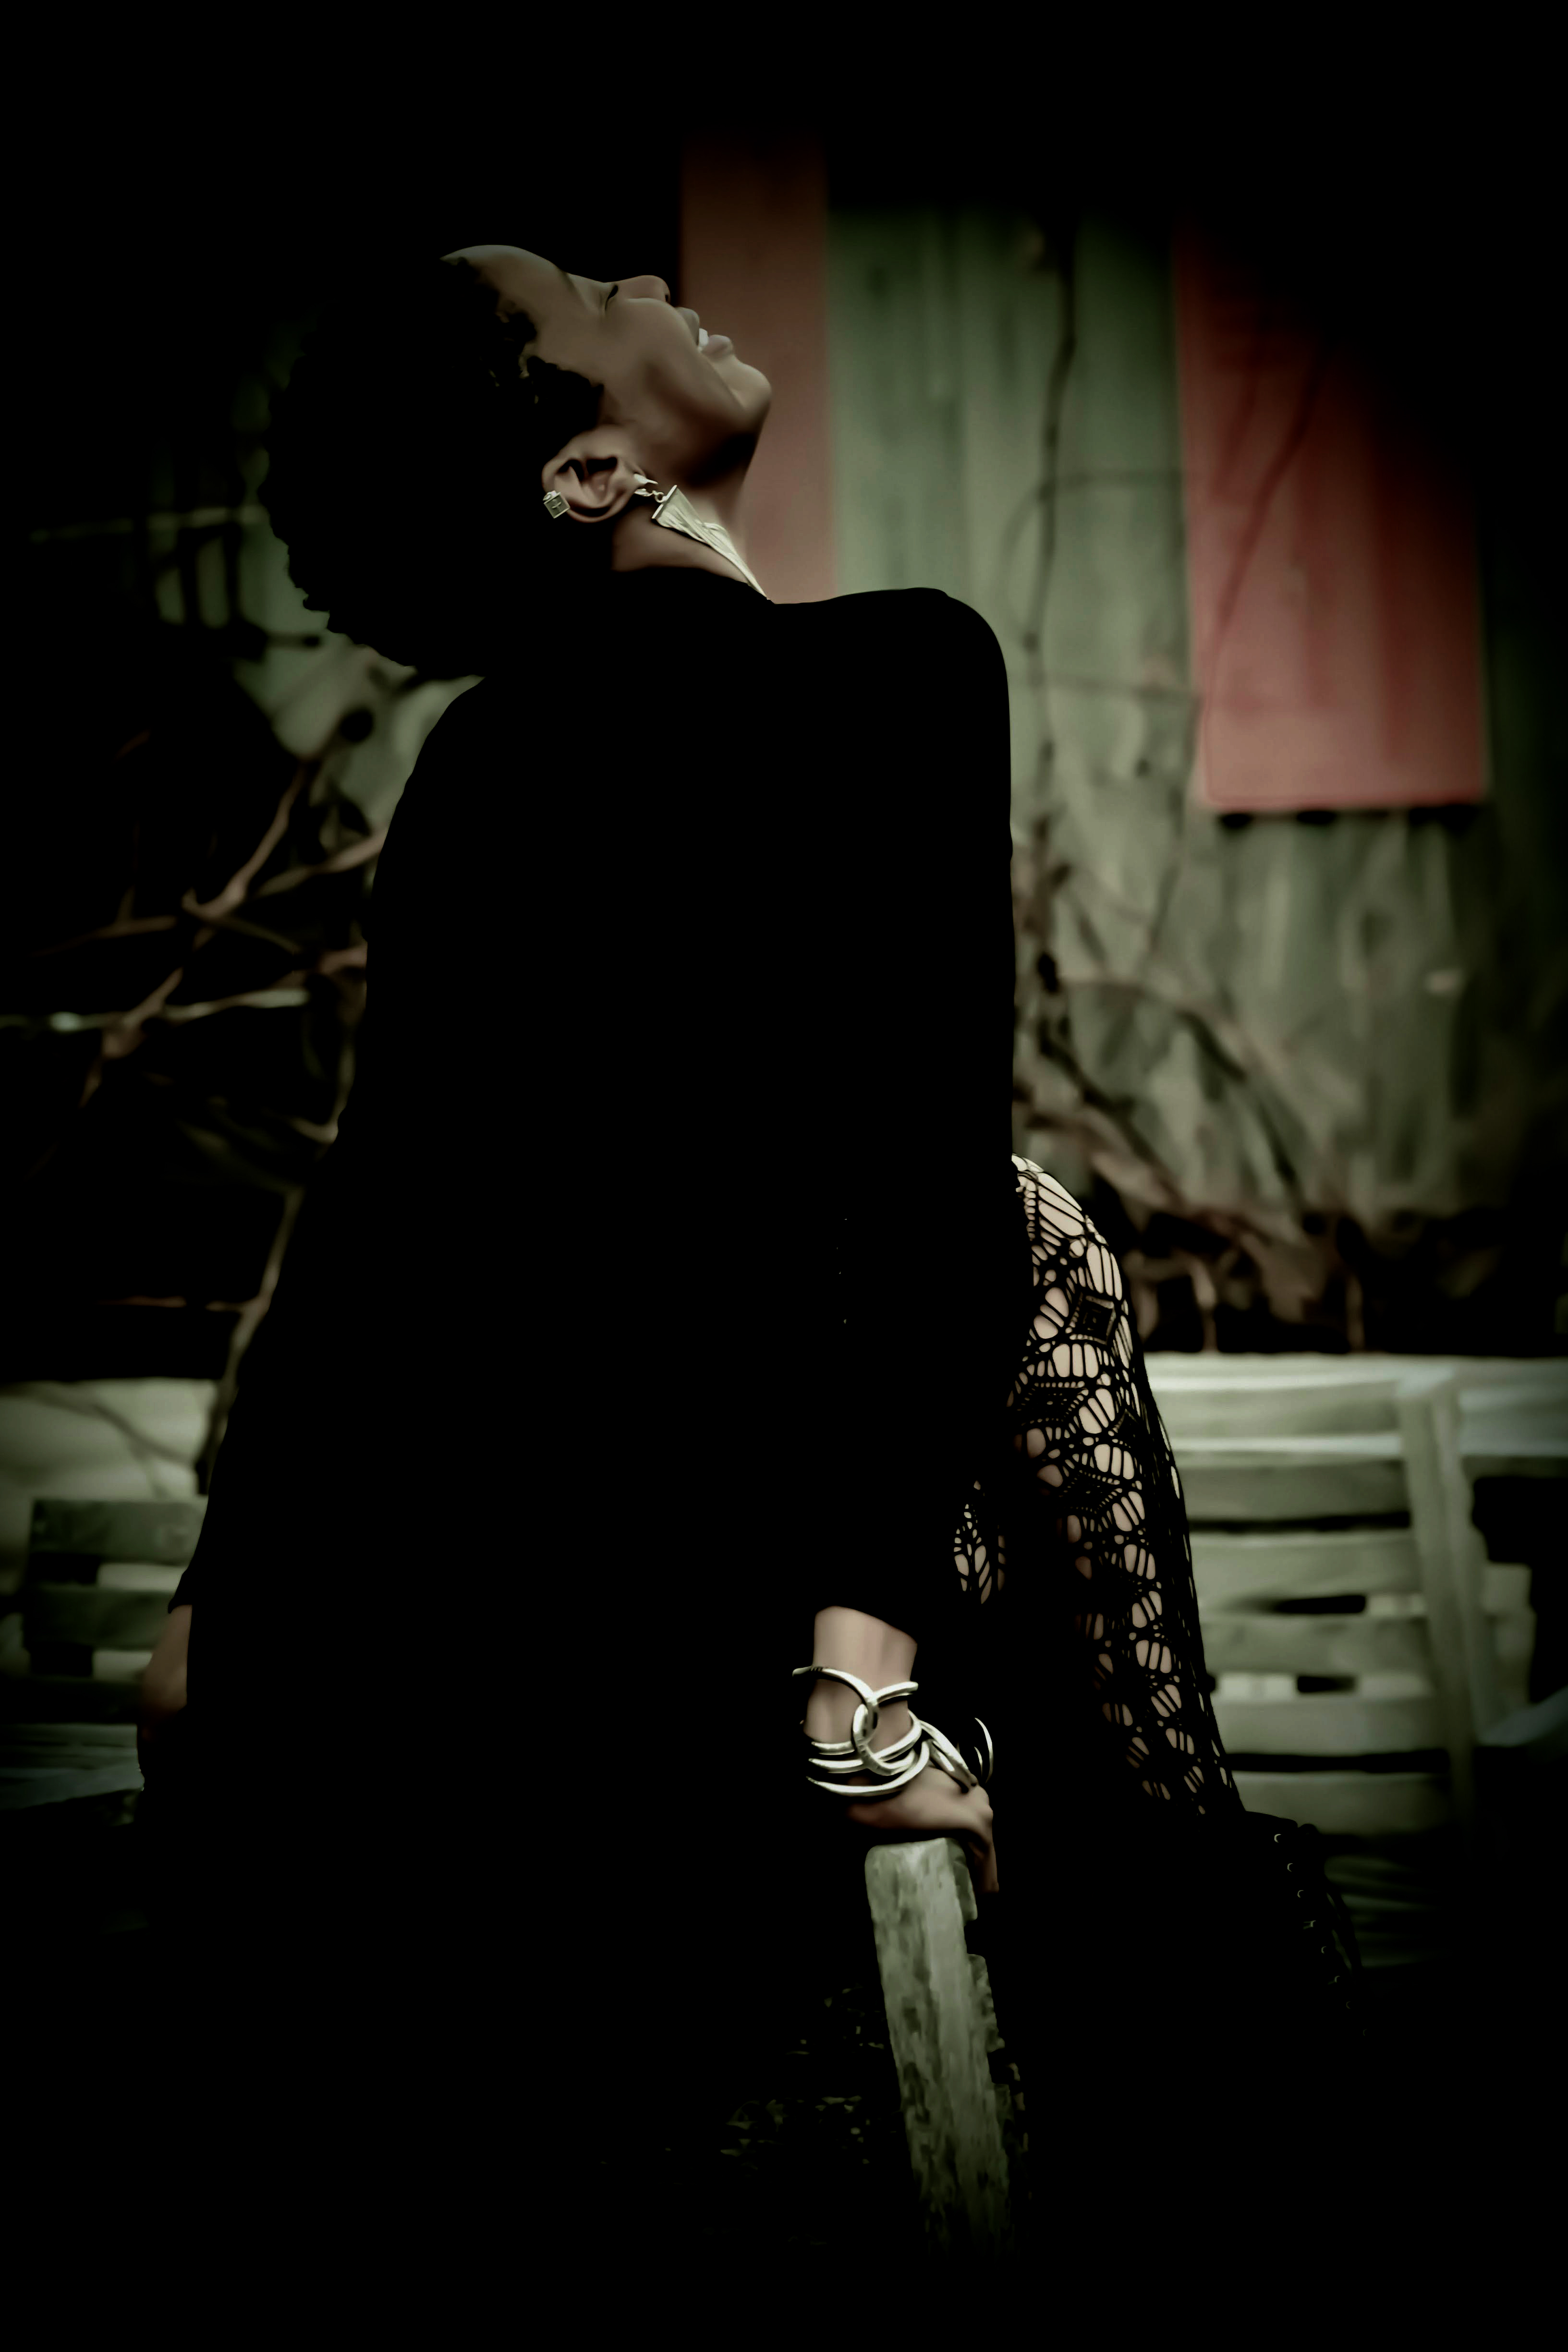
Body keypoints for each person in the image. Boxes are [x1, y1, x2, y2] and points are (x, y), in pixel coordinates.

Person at [134, 243, 1358, 2280]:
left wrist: (214, 1612)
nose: (645, 272)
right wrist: (855, 1690)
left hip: (475, 1667)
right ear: (585, 470)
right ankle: (1186, 1994)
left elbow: (379, 1222)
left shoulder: (471, 768)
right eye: (582, 291)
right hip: (728, 1648)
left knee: (952, 1249)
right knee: (1037, 1234)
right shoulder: (900, 669)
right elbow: (929, 1182)